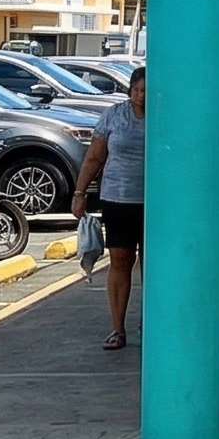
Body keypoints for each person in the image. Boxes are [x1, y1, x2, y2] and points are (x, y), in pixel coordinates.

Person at [74, 67, 148, 351]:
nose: (141, 96)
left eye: (146, 91)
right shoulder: (114, 116)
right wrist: (80, 193)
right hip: (118, 198)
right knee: (120, 260)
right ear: (130, 90)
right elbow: (95, 156)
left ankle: (152, 322)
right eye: (137, 90)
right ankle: (118, 328)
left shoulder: (166, 116)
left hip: (157, 202)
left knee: (153, 265)